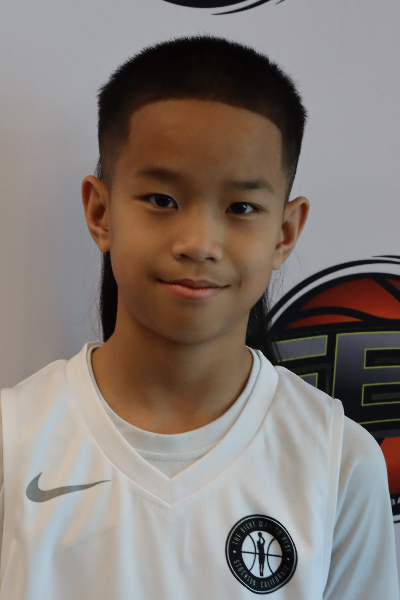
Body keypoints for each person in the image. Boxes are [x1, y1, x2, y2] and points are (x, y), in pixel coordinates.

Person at [0, 35, 398, 599]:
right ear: (100, 212)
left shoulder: (340, 463)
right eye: (162, 199)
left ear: (285, 232)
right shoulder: (14, 442)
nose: (199, 243)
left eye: (241, 207)